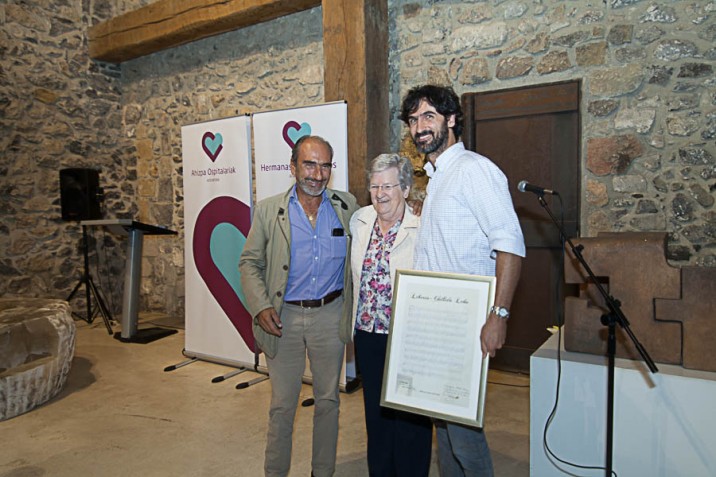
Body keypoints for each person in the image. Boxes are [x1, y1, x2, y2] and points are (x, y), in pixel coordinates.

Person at [400, 84, 525, 476]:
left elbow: (510, 244)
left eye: (429, 117)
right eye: (413, 119)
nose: (420, 127)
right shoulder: (437, 177)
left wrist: (499, 314)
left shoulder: (474, 169)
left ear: (451, 120)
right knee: (445, 428)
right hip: (435, 326)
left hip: (464, 326)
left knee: (464, 434)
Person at [239, 135, 359, 477]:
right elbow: (249, 263)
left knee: (328, 401)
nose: (317, 174)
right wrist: (261, 306)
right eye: (309, 164)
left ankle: (323, 471)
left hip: (330, 315)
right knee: (282, 405)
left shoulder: (346, 206)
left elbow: (380, 225)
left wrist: (414, 206)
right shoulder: (268, 210)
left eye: (324, 165)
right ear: (293, 167)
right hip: (283, 318)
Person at [349, 154, 433, 477]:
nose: (380, 193)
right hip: (368, 335)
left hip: (408, 337)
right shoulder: (360, 220)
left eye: (388, 186)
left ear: (406, 189)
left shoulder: (421, 226)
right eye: (374, 185)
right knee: (376, 415)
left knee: (411, 418)